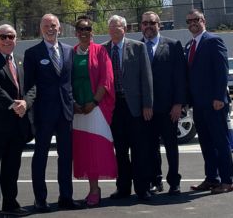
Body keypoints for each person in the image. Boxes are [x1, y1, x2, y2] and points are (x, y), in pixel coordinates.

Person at [24, 14, 82, 212]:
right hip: (44, 114)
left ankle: (66, 197)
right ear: (41, 29)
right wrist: (30, 109)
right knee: (40, 156)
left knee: (66, 157)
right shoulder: (32, 53)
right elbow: (29, 85)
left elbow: (70, 82)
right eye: (47, 26)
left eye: (54, 25)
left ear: (60, 29)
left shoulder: (68, 51)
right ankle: (40, 199)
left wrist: (74, 103)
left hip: (65, 113)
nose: (51, 29)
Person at [0, 24, 35, 218]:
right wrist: (13, 105)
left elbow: (31, 87)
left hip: (17, 126)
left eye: (11, 36)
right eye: (4, 36)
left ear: (16, 39)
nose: (8, 40)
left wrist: (25, 103)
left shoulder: (21, 61)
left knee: (11, 169)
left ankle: (11, 204)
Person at [102, 15, 154, 201]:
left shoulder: (138, 47)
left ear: (125, 29)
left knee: (139, 149)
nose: (114, 30)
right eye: (111, 27)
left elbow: (146, 78)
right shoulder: (103, 50)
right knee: (120, 150)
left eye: (118, 27)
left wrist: (147, 104)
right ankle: (123, 188)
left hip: (135, 107)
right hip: (114, 108)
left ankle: (142, 188)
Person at [185, 9, 233, 194]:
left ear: (203, 20)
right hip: (198, 105)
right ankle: (212, 179)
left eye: (196, 19)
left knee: (220, 143)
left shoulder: (213, 41)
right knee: (206, 144)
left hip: (215, 103)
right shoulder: (190, 45)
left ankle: (227, 181)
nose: (192, 23)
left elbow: (222, 71)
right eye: (189, 20)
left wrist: (219, 97)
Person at [72, 16, 117, 207]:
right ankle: (92, 188)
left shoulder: (100, 51)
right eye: (81, 29)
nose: (84, 32)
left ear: (92, 32)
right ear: (76, 33)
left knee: (96, 149)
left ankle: (95, 189)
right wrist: (74, 103)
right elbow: (65, 81)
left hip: (95, 108)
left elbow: (106, 80)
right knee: (84, 150)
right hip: (77, 111)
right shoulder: (71, 53)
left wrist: (94, 102)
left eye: (88, 29)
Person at [140, 11, 186, 196]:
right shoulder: (137, 47)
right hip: (146, 110)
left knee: (171, 147)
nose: (148, 26)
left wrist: (178, 104)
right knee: (151, 148)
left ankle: (174, 182)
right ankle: (155, 180)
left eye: (152, 23)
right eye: (145, 23)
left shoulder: (173, 45)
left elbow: (180, 77)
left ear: (159, 25)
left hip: (168, 109)